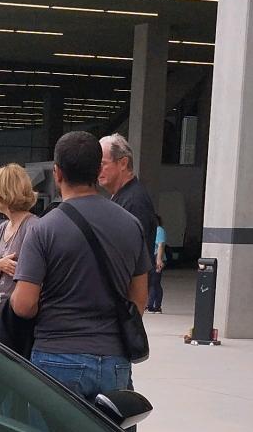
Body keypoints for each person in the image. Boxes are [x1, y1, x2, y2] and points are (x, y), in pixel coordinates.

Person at [11, 129, 149, 400]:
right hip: (115, 360)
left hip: (56, 357)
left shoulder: (42, 229)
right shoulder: (130, 224)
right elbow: (139, 299)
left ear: (57, 173)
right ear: (98, 170)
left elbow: (24, 305)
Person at [0, 164, 37, 339]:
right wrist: (0, 264)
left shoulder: (33, 227)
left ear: (3, 194)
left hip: (16, 317)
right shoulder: (3, 227)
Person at [98, 133, 157, 260]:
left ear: (123, 163)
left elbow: (131, 256)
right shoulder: (123, 197)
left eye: (102, 164)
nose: (97, 170)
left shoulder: (134, 202)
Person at [149, 215, 168, 312]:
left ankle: (152, 305)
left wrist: (159, 259)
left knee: (154, 282)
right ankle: (155, 305)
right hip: (152, 257)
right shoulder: (152, 230)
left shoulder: (159, 230)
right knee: (154, 282)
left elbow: (161, 245)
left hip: (157, 257)